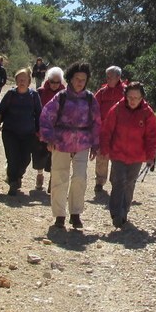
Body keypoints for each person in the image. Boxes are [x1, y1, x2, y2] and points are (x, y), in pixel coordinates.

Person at [39, 61, 101, 231]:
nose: (80, 82)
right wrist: (49, 138)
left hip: (82, 142)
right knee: (59, 176)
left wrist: (96, 145)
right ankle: (59, 215)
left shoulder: (90, 99)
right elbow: (46, 116)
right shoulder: (61, 97)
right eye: (77, 78)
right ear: (70, 79)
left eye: (83, 79)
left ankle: (75, 213)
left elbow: (96, 122)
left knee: (80, 177)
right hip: (61, 142)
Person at [100, 81, 156, 229]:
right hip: (118, 153)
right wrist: (105, 148)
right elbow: (107, 130)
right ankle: (116, 213)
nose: (133, 100)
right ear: (125, 96)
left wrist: (151, 155)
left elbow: (152, 136)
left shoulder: (147, 113)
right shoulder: (117, 109)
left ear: (142, 98)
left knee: (130, 183)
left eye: (136, 97)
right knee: (118, 181)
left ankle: (124, 211)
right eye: (130, 97)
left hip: (136, 155)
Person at [0, 69, 42, 196]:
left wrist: (40, 131)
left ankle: (17, 175)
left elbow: (39, 114)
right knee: (12, 157)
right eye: (19, 79)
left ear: (29, 81)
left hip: (28, 133)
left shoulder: (34, 96)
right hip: (10, 132)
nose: (21, 82)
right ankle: (13, 182)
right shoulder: (10, 94)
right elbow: (0, 110)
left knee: (25, 159)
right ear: (16, 81)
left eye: (24, 79)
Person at [93, 65, 127, 194]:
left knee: (117, 158)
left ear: (118, 77)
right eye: (107, 77)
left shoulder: (126, 92)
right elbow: (93, 107)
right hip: (104, 130)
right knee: (102, 156)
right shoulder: (102, 92)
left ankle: (115, 183)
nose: (108, 79)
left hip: (120, 131)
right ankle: (99, 182)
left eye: (110, 77)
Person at [33, 66, 65, 191]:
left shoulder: (65, 94)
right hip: (41, 129)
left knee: (55, 157)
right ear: (48, 80)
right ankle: (39, 176)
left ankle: (53, 180)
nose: (54, 84)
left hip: (57, 131)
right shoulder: (40, 92)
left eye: (57, 82)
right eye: (52, 81)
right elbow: (35, 110)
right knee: (39, 155)